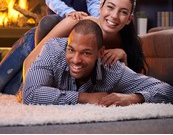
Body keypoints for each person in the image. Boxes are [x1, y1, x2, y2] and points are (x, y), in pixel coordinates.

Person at [0, 0, 145, 94]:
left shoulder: (128, 42)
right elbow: (30, 61)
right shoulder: (77, 22)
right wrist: (35, 91)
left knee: (8, 91)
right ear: (100, 8)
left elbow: (132, 84)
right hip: (32, 45)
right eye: (110, 7)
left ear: (129, 19)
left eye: (123, 12)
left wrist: (123, 55)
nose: (114, 16)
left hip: (53, 68)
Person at [22, 19, 173, 106]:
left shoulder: (113, 70)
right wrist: (86, 97)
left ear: (100, 53)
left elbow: (167, 90)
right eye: (71, 50)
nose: (76, 59)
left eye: (86, 53)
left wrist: (134, 98)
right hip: (25, 76)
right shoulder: (52, 50)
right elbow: (29, 94)